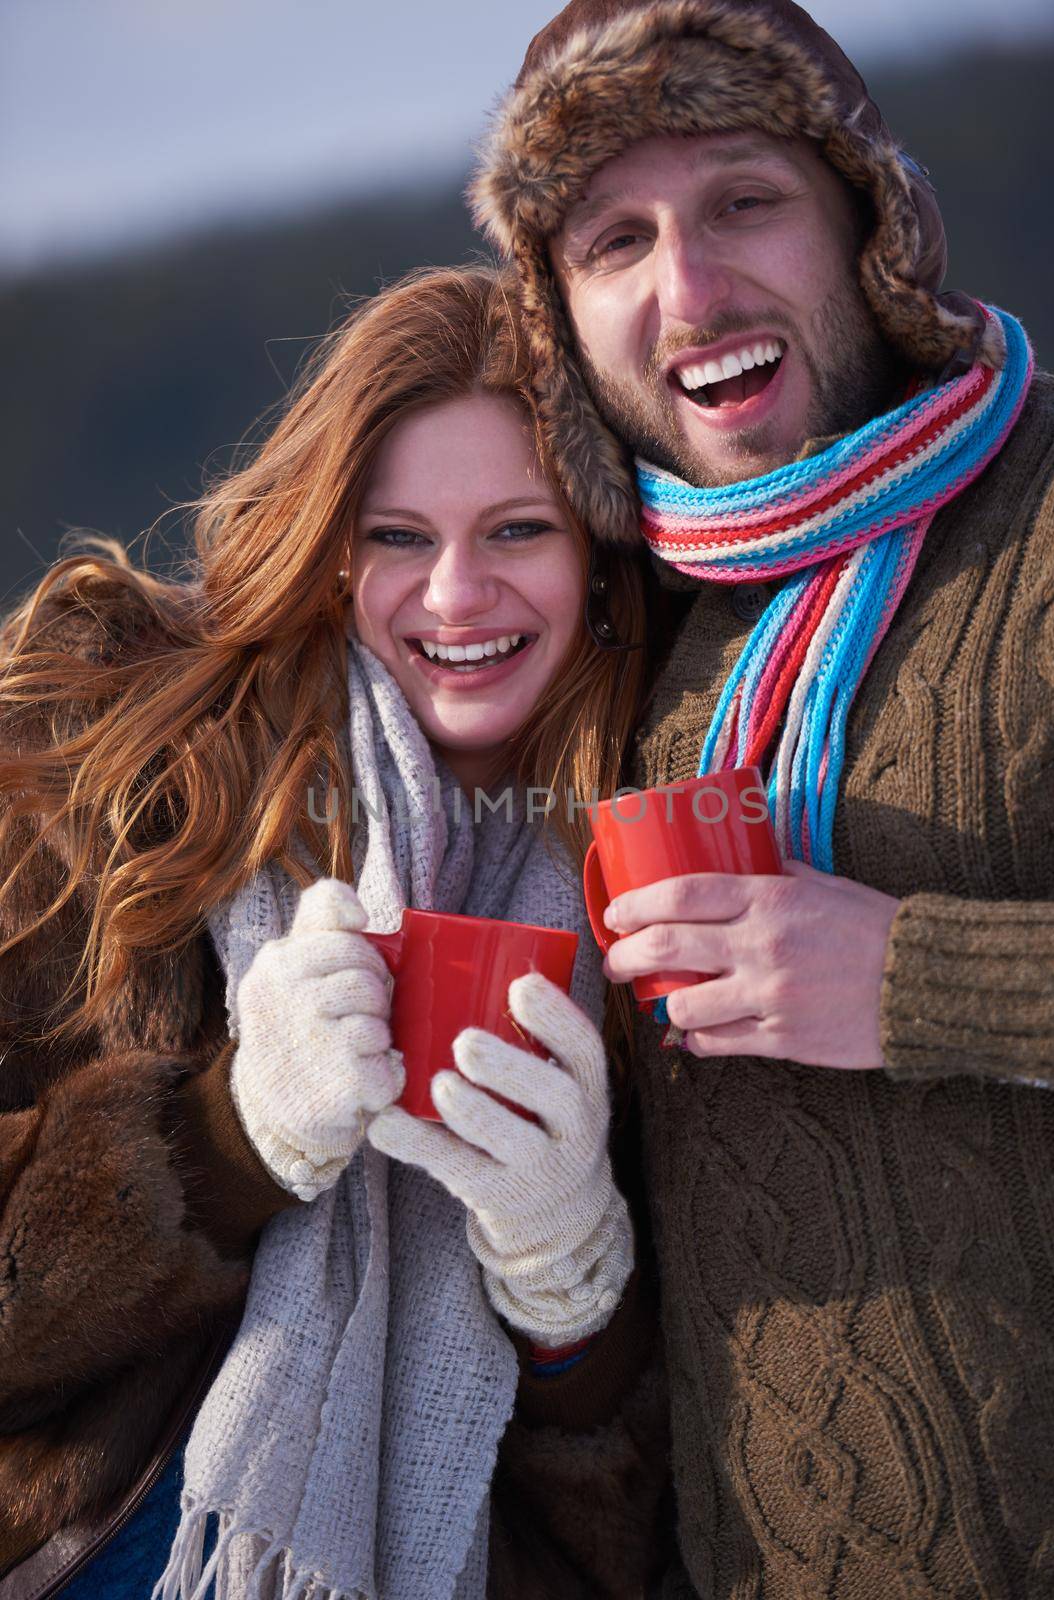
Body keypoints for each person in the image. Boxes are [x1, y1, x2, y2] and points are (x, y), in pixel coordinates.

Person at [472, 1, 1054, 1594]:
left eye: (745, 202)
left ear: (869, 225)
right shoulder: (613, 639)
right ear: (560, 316)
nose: (691, 291)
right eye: (615, 241)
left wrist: (925, 982)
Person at [0, 264, 665, 1600]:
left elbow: (633, 1523)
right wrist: (232, 1139)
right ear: (330, 544)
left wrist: (571, 1279)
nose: (457, 596)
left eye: (519, 531)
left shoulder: (646, 860)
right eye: (401, 537)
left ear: (598, 558)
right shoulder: (109, 763)